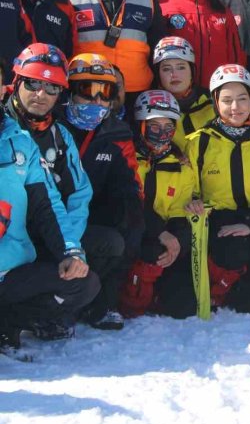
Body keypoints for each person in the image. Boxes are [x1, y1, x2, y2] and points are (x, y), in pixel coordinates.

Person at [0, 66, 99, 354]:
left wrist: (71, 252)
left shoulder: (20, 141)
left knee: (83, 283)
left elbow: (47, 204)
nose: (41, 94)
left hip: (10, 269)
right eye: (33, 85)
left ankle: (11, 320)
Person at [185, 64, 250, 316]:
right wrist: (194, 201)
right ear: (215, 102)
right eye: (227, 100)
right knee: (233, 250)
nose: (235, 107)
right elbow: (188, 186)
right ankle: (218, 282)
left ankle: (238, 283)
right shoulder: (199, 142)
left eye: (242, 99)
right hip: (218, 222)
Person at [55, 53, 144, 330]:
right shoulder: (50, 125)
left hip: (90, 217)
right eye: (87, 90)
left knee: (130, 222)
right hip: (49, 217)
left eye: (104, 93)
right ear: (70, 91)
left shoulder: (117, 133)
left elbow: (130, 185)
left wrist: (128, 211)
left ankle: (103, 302)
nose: (96, 101)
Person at [119, 90, 197, 319]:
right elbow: (129, 202)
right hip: (132, 231)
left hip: (163, 235)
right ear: (141, 126)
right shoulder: (128, 158)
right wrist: (160, 233)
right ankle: (130, 298)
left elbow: (179, 208)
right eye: (154, 127)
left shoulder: (180, 165)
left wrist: (177, 241)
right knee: (148, 250)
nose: (162, 134)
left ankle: (157, 291)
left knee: (183, 307)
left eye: (168, 127)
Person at [151, 36, 215, 149]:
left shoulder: (213, 102)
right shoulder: (150, 109)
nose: (174, 74)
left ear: (192, 71)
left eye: (181, 67)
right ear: (158, 75)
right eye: (166, 69)